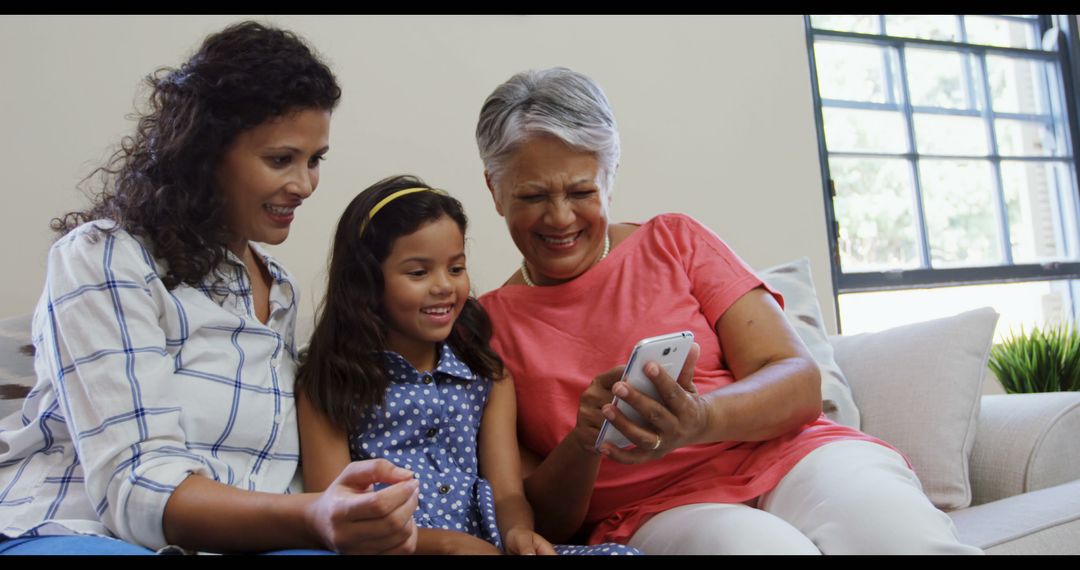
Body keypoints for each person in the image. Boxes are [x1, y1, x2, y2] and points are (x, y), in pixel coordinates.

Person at [473, 67, 983, 554]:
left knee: (896, 535)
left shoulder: (674, 240)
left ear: (610, 175)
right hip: (655, 512)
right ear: (495, 190)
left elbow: (798, 381)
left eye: (581, 190)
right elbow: (539, 520)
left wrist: (700, 418)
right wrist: (584, 442)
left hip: (793, 458)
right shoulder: (485, 329)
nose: (560, 217)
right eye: (533, 195)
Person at [0, 21, 419, 555]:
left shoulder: (279, 289)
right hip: (80, 528)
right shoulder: (105, 256)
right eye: (280, 159)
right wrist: (313, 514)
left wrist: (357, 516)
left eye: (315, 160)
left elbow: (280, 478)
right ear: (206, 153)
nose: (305, 184)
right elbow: (136, 486)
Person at [295, 175, 639, 555]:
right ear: (366, 282)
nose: (444, 286)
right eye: (418, 272)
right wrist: (447, 545)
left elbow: (508, 492)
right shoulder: (329, 383)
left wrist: (518, 533)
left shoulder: (486, 375)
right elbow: (335, 515)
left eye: (455, 268)